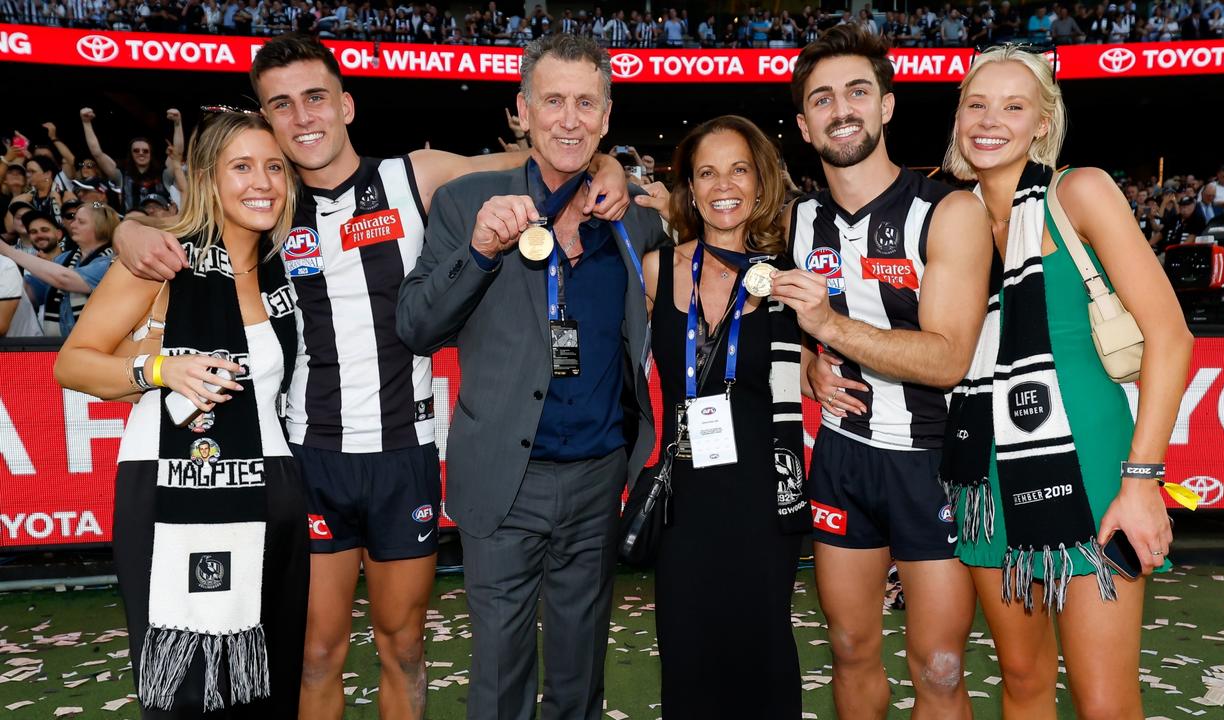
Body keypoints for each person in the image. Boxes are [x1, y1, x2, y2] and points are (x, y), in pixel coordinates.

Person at [112, 31, 630, 720]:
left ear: (347, 105)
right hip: (311, 456)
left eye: (316, 98)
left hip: (403, 456)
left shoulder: (413, 176)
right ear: (267, 121)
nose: (303, 118)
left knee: (404, 648)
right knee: (318, 653)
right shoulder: (267, 200)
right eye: (282, 105)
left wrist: (610, 170)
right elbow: (178, 225)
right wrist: (127, 230)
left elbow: (536, 156)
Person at [396, 33, 666, 720]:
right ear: (522, 110)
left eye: (585, 103)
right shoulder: (467, 204)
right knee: (499, 678)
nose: (569, 119)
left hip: (599, 476)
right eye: (553, 101)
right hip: (502, 482)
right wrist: (481, 250)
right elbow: (418, 326)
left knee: (579, 678)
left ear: (606, 116)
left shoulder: (630, 217)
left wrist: (624, 176)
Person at [938, 46, 1191, 720]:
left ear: (1043, 123)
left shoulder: (1077, 192)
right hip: (985, 481)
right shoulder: (948, 216)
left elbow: (1171, 337)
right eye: (977, 103)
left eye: (1014, 106)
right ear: (958, 115)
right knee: (1021, 683)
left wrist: (1142, 483)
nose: (991, 120)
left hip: (1097, 476)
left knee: (1105, 701)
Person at [54, 110, 309, 718]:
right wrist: (162, 367)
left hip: (274, 487)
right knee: (189, 693)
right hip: (169, 488)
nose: (262, 182)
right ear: (209, 181)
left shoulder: (284, 272)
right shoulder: (163, 260)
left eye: (275, 167)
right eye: (241, 167)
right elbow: (73, 363)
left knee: (270, 683)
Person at [771, 24, 991, 720]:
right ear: (805, 125)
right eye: (823, 98)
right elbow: (785, 325)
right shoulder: (797, 219)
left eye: (858, 92)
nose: (842, 109)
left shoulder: (949, 210)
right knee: (849, 646)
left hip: (933, 464)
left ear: (887, 106)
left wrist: (830, 330)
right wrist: (808, 363)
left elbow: (948, 357)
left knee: (941, 665)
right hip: (842, 458)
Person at [640, 115, 809, 718]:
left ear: (760, 183)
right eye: (707, 172)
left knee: (763, 652)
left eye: (739, 169)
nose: (724, 185)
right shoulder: (658, 268)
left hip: (762, 493)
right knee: (687, 656)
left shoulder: (787, 276)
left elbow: (812, 362)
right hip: (683, 492)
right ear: (688, 188)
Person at [0, 201, 118, 337]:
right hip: (54, 347)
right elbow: (27, 291)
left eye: (81, 222)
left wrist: (7, 251)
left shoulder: (111, 263)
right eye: (73, 220)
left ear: (101, 226)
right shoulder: (63, 259)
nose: (72, 225)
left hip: (92, 346)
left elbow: (64, 279)